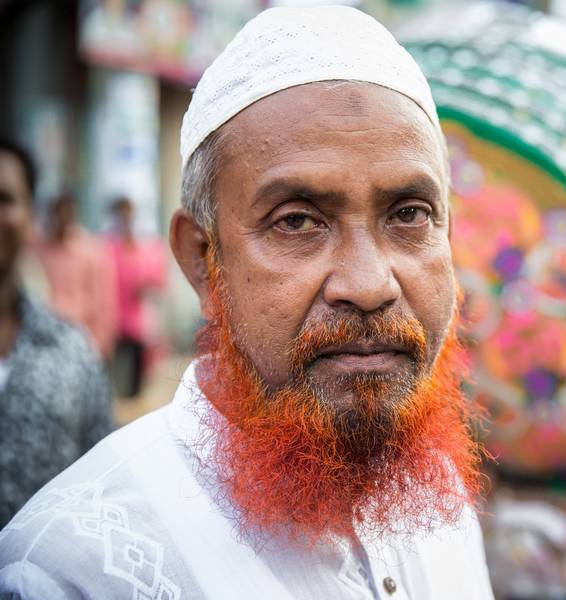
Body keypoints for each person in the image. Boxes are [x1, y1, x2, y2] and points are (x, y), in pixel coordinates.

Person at [0, 7, 492, 599]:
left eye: (410, 215)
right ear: (203, 259)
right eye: (297, 221)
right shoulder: (71, 570)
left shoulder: (436, 491)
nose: (369, 285)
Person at [0, 138, 113, 528]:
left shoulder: (72, 354)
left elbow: (102, 478)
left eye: (5, 198)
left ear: (29, 215)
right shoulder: (44, 252)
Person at [33, 192, 118, 357]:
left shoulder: (89, 251)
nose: (60, 218)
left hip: (80, 342)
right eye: (56, 212)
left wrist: (99, 346)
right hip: (42, 342)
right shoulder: (37, 248)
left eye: (66, 212)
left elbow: (103, 301)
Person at [106, 195, 166, 397]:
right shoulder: (107, 247)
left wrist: (146, 287)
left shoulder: (146, 247)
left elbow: (157, 283)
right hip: (112, 324)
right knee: (114, 383)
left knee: (136, 384)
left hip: (139, 325)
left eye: (128, 212)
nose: (125, 217)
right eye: (121, 212)